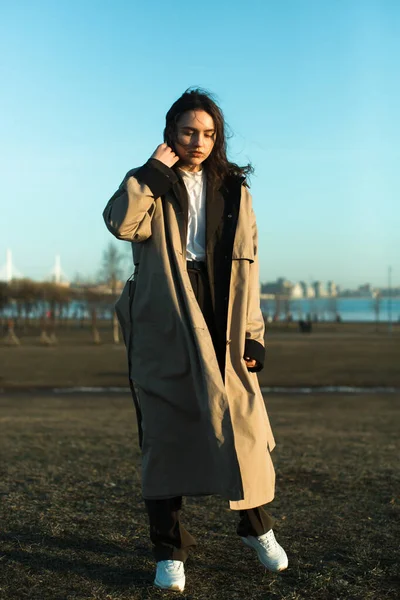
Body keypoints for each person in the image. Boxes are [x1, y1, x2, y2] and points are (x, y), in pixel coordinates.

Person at [103, 89, 287, 592]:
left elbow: (249, 266)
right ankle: (169, 552)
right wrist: (150, 174)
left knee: (242, 424)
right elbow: (122, 224)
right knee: (165, 433)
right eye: (189, 131)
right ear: (171, 133)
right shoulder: (151, 182)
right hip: (167, 312)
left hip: (223, 307)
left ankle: (256, 528)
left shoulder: (234, 189)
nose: (199, 141)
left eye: (208, 133)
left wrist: (254, 334)